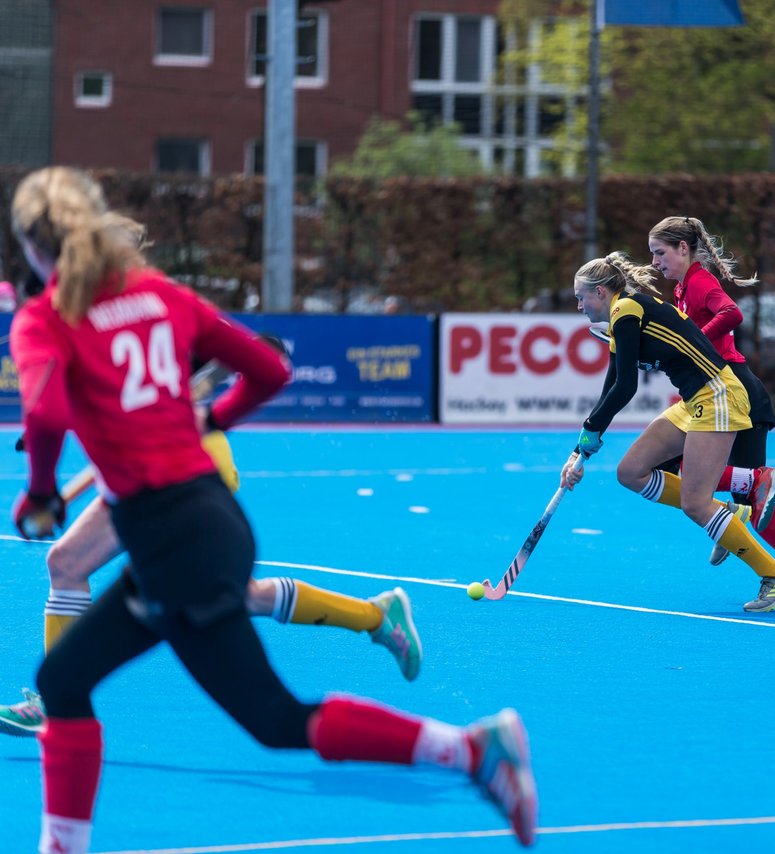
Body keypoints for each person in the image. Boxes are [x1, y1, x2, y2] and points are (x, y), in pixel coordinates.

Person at [9, 167, 536, 852]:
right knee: (65, 677)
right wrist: (213, 420)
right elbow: (270, 369)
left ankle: (472, 750)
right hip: (208, 522)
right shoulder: (158, 294)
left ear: (30, 244)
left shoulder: (45, 319)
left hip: (170, 539)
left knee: (274, 718)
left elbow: (46, 411)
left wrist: (41, 492)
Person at [0, 426, 425, 738]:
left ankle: (53, 705)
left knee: (74, 565)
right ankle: (375, 615)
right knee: (68, 563)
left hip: (184, 474)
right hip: (146, 472)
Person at [562, 251, 775, 613]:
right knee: (631, 472)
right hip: (693, 400)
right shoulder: (618, 320)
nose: (579, 306)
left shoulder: (627, 309)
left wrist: (590, 432)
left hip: (719, 393)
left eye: (581, 297)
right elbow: (610, 385)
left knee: (694, 502)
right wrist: (579, 451)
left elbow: (626, 387)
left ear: (599, 292)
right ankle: (728, 511)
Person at [647, 216, 775, 603]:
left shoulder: (699, 281)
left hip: (735, 393)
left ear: (683, 249)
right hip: (717, 394)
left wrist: (695, 342)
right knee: (685, 471)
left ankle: (752, 497)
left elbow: (731, 313)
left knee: (689, 473)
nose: (654, 263)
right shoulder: (683, 288)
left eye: (660, 253)